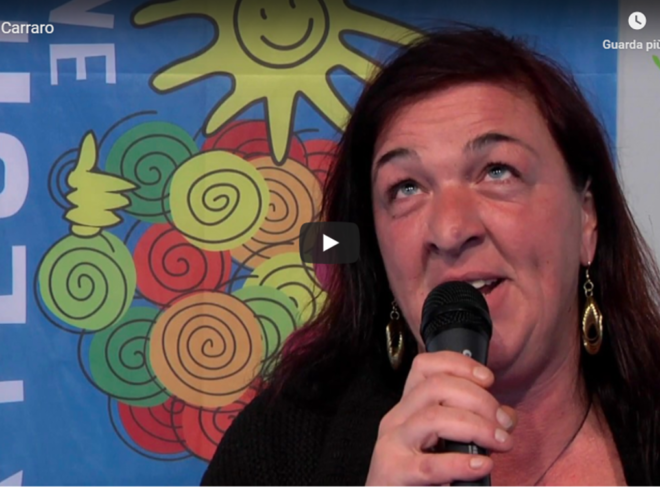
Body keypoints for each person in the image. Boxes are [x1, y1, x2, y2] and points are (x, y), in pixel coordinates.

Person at [201, 26, 660, 486]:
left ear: (586, 218)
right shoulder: (277, 448)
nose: (450, 230)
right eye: (406, 188)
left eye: (497, 171)